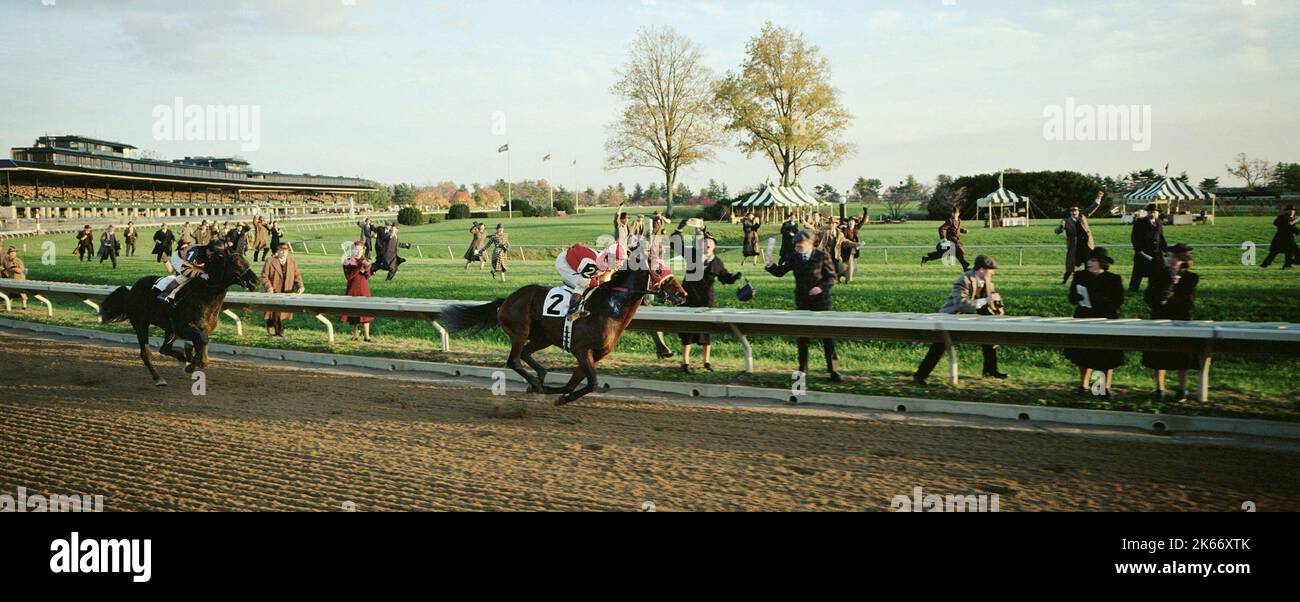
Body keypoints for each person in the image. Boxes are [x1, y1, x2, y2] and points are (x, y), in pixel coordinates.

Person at [912, 255, 1007, 386]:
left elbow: (989, 301)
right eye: (991, 270)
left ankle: (990, 371)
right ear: (981, 270)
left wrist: (997, 309)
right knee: (939, 345)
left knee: (990, 337)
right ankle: (920, 376)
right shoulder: (964, 280)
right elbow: (961, 304)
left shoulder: (988, 281)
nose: (993, 273)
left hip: (971, 317)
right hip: (952, 317)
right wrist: (986, 301)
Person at [764, 231, 843, 383]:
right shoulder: (794, 257)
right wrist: (770, 265)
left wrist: (820, 288)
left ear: (810, 243)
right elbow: (780, 272)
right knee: (802, 338)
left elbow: (832, 278)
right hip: (802, 302)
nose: (798, 245)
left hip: (821, 303)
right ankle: (803, 370)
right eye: (796, 243)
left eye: (801, 243)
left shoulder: (822, 255)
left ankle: (834, 370)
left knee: (828, 338)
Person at [1063, 247, 1125, 399]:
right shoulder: (1080, 276)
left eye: (1093, 260)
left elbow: (1119, 301)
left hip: (1105, 319)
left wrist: (1101, 302)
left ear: (1102, 263)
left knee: (1105, 355)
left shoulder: (1113, 279)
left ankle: (1102, 388)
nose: (1089, 263)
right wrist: (1076, 297)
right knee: (1084, 353)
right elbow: (1071, 298)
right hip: (1084, 317)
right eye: (1088, 260)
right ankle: (1083, 385)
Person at [1142, 244, 1200, 402]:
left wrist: (1173, 292)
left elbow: (1189, 302)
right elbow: (1149, 297)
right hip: (1160, 318)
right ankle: (1159, 388)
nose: (1171, 260)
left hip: (1180, 319)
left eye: (1175, 258)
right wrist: (1168, 288)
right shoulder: (1158, 275)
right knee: (1159, 356)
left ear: (1183, 261)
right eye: (1169, 257)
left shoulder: (1191, 278)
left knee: (1182, 356)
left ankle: (1182, 389)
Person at [680, 234, 742, 373]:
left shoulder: (717, 262)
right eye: (703, 242)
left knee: (706, 330)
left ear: (714, 246)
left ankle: (706, 362)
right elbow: (676, 245)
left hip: (706, 300)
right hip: (690, 297)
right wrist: (680, 228)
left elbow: (725, 278)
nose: (706, 244)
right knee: (687, 330)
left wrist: (734, 277)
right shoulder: (693, 256)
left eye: (709, 242)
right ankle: (685, 362)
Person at [555, 240, 626, 322]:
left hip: (580, 263)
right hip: (564, 264)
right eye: (618, 260)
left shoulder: (606, 260)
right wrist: (597, 282)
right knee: (582, 286)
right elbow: (582, 281)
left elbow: (606, 279)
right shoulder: (593, 263)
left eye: (621, 260)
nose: (620, 264)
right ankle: (572, 311)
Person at [260, 243, 305, 337]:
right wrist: (269, 287)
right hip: (274, 291)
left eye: (286, 250)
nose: (284, 252)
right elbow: (264, 276)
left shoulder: (292, 261)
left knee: (279, 313)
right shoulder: (270, 261)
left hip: (287, 291)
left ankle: (271, 324)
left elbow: (297, 275)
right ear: (277, 251)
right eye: (281, 250)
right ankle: (279, 332)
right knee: (276, 312)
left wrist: (300, 286)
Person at [340, 241, 375, 342]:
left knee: (365, 313)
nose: (358, 251)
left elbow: (368, 276)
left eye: (360, 249)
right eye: (356, 249)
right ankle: (355, 335)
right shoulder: (347, 262)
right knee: (352, 313)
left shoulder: (365, 260)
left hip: (363, 289)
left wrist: (367, 268)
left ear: (363, 250)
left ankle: (367, 336)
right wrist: (359, 268)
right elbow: (348, 277)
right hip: (352, 289)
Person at [1128, 204, 1167, 293]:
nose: (1152, 214)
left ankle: (1156, 289)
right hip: (1143, 252)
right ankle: (1133, 289)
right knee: (1138, 272)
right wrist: (1138, 250)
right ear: (1147, 212)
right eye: (1150, 212)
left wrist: (1166, 250)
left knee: (1158, 271)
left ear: (1158, 213)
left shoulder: (1159, 222)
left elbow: (1161, 237)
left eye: (1154, 212)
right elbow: (1134, 237)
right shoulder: (1140, 222)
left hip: (1156, 252)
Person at [1054, 205, 1095, 285]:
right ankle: (1064, 281)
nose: (1074, 212)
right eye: (1072, 211)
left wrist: (1098, 198)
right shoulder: (1066, 221)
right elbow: (1057, 231)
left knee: (1088, 263)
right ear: (1070, 212)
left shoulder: (1083, 217)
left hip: (1086, 245)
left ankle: (1089, 281)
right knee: (1070, 265)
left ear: (1078, 211)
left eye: (1076, 210)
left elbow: (1091, 208)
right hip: (1074, 247)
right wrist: (1061, 227)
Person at [1260, 204, 1298, 270]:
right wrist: (1289, 221)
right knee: (1274, 252)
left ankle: (1287, 264)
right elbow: (1276, 223)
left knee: (1290, 251)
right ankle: (1265, 264)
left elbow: (1292, 228)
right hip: (1280, 238)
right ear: (1286, 211)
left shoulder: (1293, 219)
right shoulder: (1281, 217)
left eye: (1293, 210)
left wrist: (1297, 231)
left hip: (1289, 238)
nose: (1292, 212)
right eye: (1290, 210)